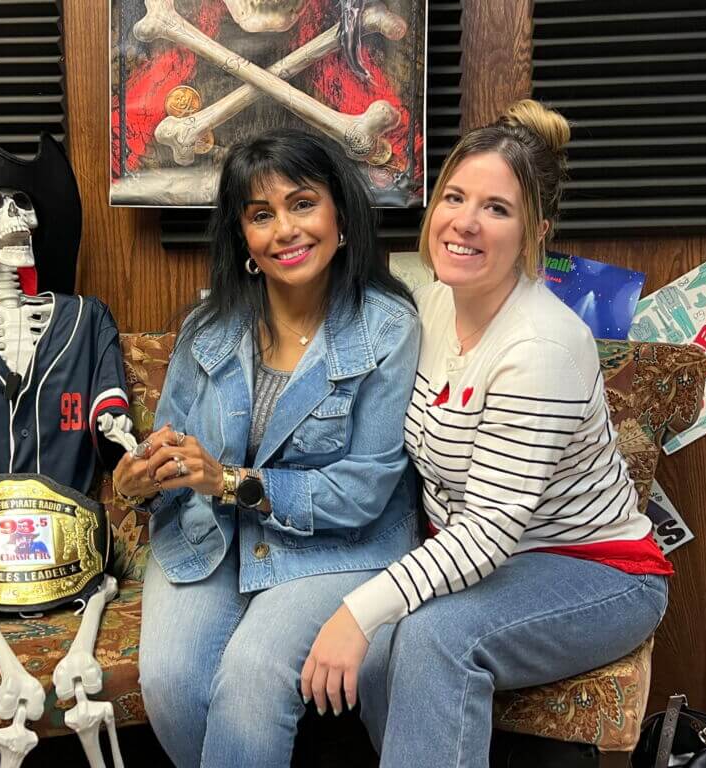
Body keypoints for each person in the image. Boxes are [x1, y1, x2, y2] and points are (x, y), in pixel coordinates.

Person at [301, 100, 673, 767]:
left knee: (434, 636)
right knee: (394, 634)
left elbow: (493, 528)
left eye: (497, 209)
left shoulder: (543, 345)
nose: (465, 223)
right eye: (455, 197)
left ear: (536, 233)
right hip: (484, 554)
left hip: (594, 569)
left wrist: (357, 612)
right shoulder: (433, 299)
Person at [112, 128, 421, 766]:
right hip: (212, 533)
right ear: (243, 240)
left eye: (302, 203)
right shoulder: (208, 326)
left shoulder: (389, 327)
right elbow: (170, 448)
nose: (285, 229)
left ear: (339, 213)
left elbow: (363, 493)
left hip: (340, 545)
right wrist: (140, 478)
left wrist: (224, 479)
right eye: (261, 215)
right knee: (171, 686)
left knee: (252, 675)